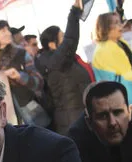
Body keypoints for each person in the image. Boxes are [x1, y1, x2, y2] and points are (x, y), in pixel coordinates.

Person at [35, 0, 95, 135]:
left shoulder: (63, 61)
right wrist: (74, 14)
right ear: (51, 44)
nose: (64, 41)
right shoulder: (54, 62)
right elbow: (70, 41)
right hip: (73, 120)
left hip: (79, 115)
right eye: (61, 37)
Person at [0, 20, 47, 127]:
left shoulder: (21, 53)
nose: (8, 33)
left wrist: (20, 76)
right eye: (3, 31)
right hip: (8, 116)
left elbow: (39, 82)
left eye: (8, 30)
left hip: (29, 110)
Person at [92, 13, 132, 110]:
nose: (120, 26)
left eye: (120, 22)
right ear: (105, 27)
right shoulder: (102, 51)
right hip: (124, 103)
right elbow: (114, 80)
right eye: (116, 23)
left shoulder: (121, 44)